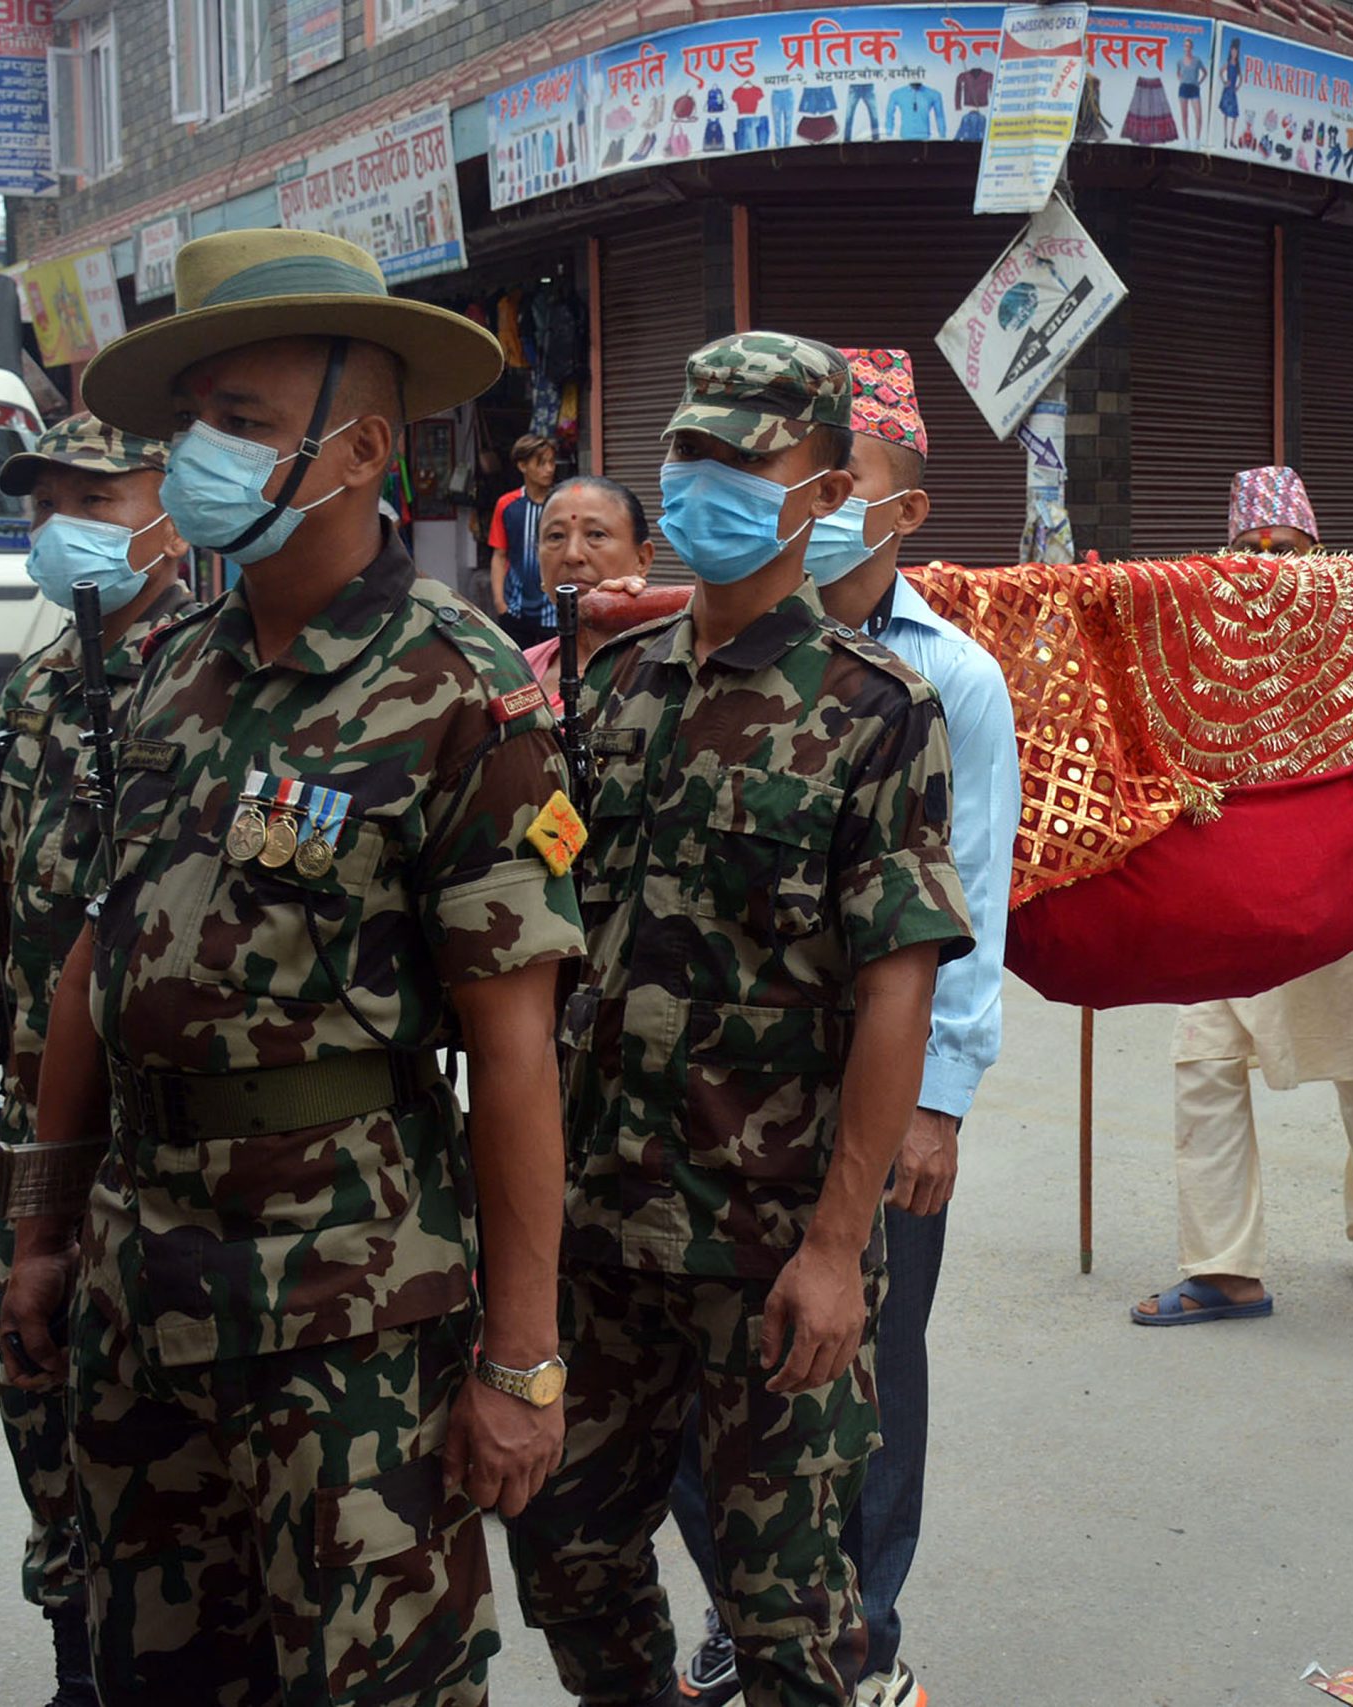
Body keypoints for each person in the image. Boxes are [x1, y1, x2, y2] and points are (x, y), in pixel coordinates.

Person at [0, 229, 580, 1702]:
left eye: (240, 425)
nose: (198, 455)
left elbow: (516, 1052)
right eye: (192, 421)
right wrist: (47, 1222)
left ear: (362, 445)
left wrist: (521, 1359)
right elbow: (95, 958)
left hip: (350, 1319)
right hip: (144, 1291)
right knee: (159, 1674)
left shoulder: (464, 690)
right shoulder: (170, 670)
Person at [505, 332, 971, 1707]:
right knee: (569, 1544)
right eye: (687, 455)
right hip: (601, 1231)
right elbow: (548, 941)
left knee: (786, 1616)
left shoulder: (879, 710)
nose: (703, 481)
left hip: (769, 1247)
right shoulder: (614, 688)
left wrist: (841, 1245)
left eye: (741, 459)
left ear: (821, 490)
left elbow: (900, 986)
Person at [666, 349, 1016, 1707]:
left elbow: (966, 899)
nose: (791, 503)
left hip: (874, 1095)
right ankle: (741, 1606)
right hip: (712, 1097)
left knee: (864, 1370)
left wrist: (941, 1095)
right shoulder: (720, 642)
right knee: (710, 1372)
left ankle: (863, 1620)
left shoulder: (952, 679)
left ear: (896, 508)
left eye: (831, 479)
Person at [0, 415, 195, 1707]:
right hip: (33, 1122)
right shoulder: (30, 689)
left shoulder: (211, 680)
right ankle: (76, 1657)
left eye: (96, 496)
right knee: (38, 1384)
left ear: (170, 510)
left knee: (168, 1434)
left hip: (172, 1138)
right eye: (46, 505)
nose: (62, 528)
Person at [1134, 464, 1353, 1324]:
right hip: (1228, 906)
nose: (1268, 562)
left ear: (1318, 553)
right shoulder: (1196, 651)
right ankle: (1223, 1268)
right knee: (1202, 1067)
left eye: (1285, 547)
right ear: (1225, 553)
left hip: (1346, 900)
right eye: (1250, 548)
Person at [521, 474, 659, 707]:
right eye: (556, 536)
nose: (573, 555)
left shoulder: (666, 664)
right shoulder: (521, 671)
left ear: (642, 559)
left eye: (596, 535)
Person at [489, 431, 561, 648]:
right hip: (515, 608)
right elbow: (500, 555)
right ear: (522, 466)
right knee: (520, 674)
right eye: (541, 463)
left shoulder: (562, 502)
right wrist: (500, 603)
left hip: (555, 609)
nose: (549, 469)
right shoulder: (507, 505)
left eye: (551, 462)